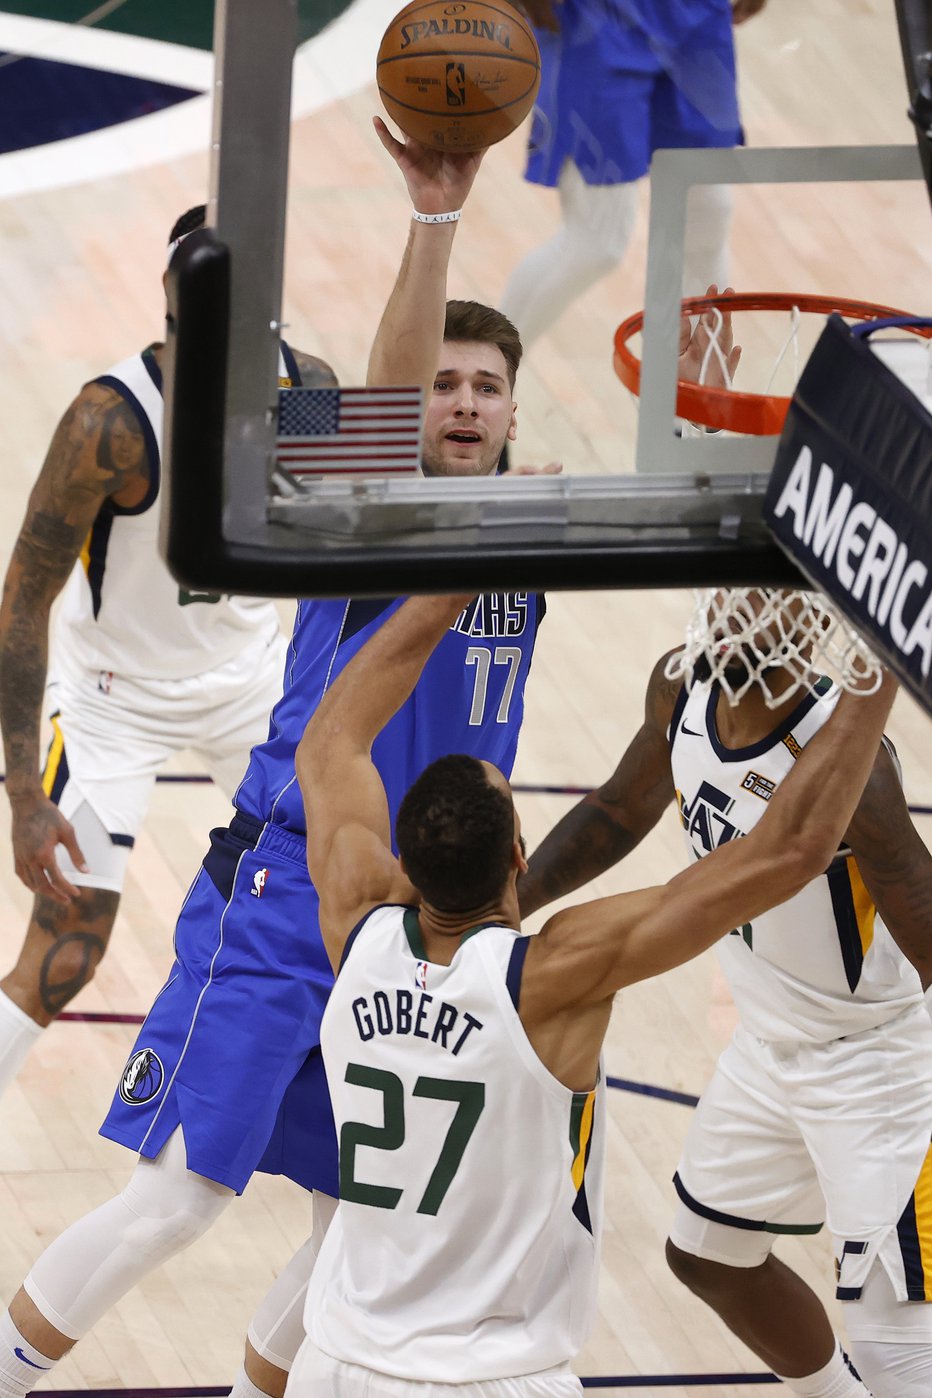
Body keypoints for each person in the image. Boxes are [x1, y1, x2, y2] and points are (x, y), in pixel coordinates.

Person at [0, 126, 542, 1398]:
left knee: (363, 1215)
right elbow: (383, 403)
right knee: (178, 1197)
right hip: (292, 889)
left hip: (436, 917)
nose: (457, 404)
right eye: (442, 386)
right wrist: (430, 221)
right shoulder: (377, 510)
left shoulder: (538, 529)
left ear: (516, 411)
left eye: (484, 388)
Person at [276, 586, 897, 1398]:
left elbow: (329, 745)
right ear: (520, 860)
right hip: (491, 1378)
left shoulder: (353, 920)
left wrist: (448, 587)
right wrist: (880, 662)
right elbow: (791, 848)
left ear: (405, 863)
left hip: (335, 1365)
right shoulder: (552, 978)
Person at [516, 591, 932, 1397]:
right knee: (709, 1255)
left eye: (775, 596)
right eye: (742, 584)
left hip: (876, 1064)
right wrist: (504, 908)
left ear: (816, 620)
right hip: (769, 1046)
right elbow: (616, 807)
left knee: (900, 1353)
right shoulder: (679, 686)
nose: (751, 606)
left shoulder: (850, 763)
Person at [0, 206, 337, 1103]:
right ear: (168, 297)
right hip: (114, 695)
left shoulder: (308, 391)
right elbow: (25, 598)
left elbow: (343, 548)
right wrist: (27, 793)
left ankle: (337, 1129)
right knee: (67, 948)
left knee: (345, 894)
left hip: (248, 682)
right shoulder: (109, 423)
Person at [501, 0, 767, 349]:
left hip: (695, 13)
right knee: (596, 242)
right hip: (594, 18)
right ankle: (477, 374)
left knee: (707, 218)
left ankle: (698, 393)